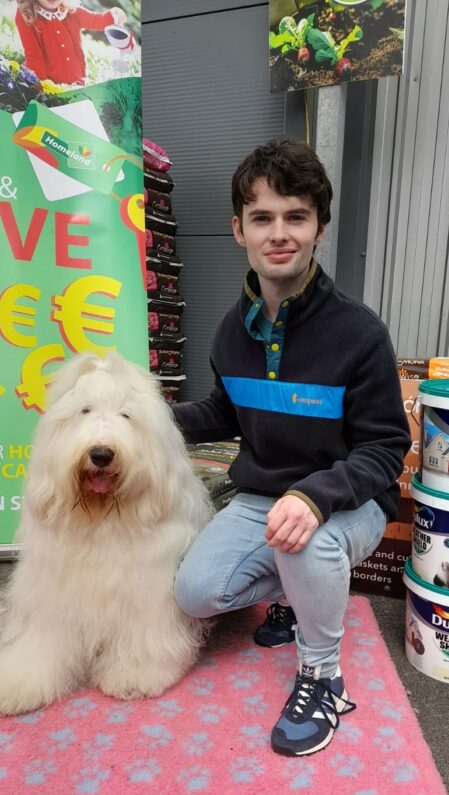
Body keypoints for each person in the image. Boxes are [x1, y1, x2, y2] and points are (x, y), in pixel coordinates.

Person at [172, 138, 411, 757]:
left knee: (310, 539)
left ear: (319, 229)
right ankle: (293, 594)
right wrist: (138, 419)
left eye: (295, 216)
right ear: (238, 230)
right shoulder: (231, 330)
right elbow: (226, 413)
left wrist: (317, 494)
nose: (279, 233)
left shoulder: (359, 333)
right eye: (262, 218)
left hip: (349, 503)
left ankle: (322, 674)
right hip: (262, 496)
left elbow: (387, 446)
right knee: (195, 594)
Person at [15, 0, 125, 86]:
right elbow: (33, 54)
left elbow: (96, 20)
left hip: (77, 83)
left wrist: (113, 15)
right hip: (50, 87)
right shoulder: (26, 14)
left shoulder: (71, 10)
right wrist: (40, 87)